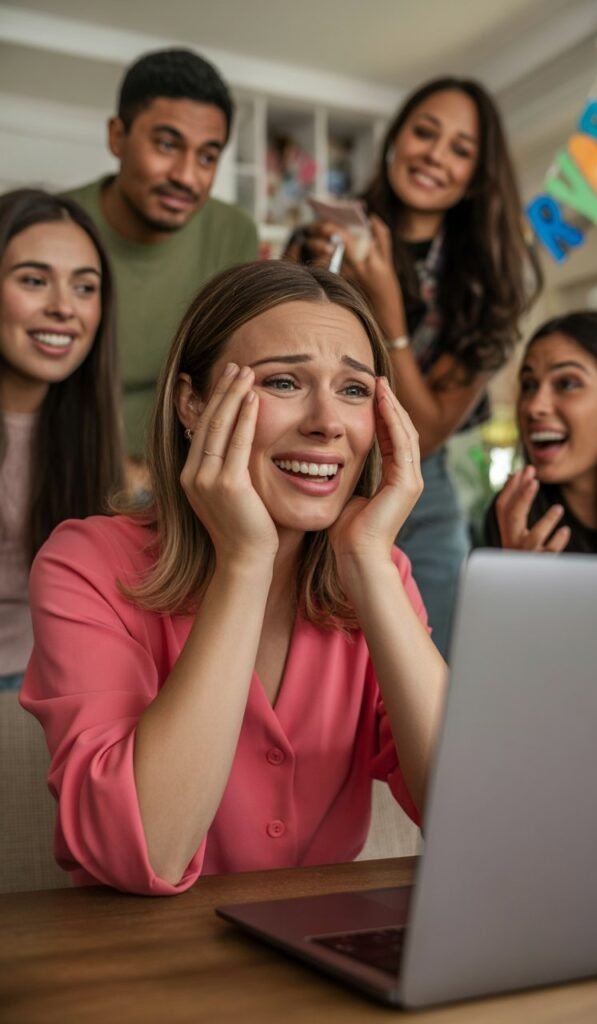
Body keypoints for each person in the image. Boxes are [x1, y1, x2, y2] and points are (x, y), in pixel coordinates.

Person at [20, 260, 447, 895]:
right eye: (283, 382)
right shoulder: (86, 564)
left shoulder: (379, 572)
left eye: (355, 390)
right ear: (192, 403)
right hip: (140, 968)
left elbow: (468, 814)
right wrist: (245, 562)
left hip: (322, 958)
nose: (327, 422)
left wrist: (370, 566)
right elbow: (149, 852)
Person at [289, 77, 541, 657]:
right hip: (314, 467)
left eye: (460, 148)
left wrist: (387, 310)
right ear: (394, 141)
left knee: (428, 672)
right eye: (425, 133)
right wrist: (311, 271)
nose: (434, 154)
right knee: (315, 674)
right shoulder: (326, 235)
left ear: (478, 175)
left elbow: (423, 434)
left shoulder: (489, 282)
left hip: (422, 500)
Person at [66, 48, 259, 463]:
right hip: (66, 464)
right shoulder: (51, 229)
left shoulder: (233, 234)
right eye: (167, 144)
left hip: (180, 472)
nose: (186, 176)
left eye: (207, 156)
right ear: (118, 137)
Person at [0, 188, 124, 691]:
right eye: (34, 280)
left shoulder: (95, 436)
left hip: (62, 676)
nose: (63, 308)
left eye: (85, 288)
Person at [484, 311, 597, 556]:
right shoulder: (513, 515)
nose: (534, 406)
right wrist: (513, 576)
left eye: (567, 384)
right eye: (529, 385)